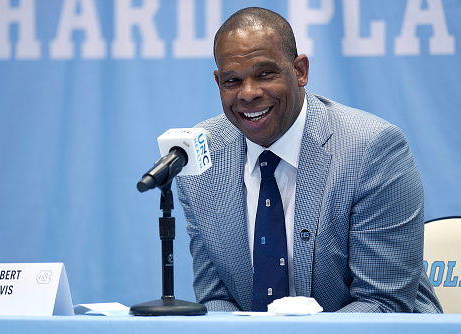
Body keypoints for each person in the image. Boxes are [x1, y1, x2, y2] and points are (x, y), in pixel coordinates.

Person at [176, 7, 442, 313]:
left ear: (300, 71)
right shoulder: (201, 153)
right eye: (232, 81)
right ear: (218, 81)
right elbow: (216, 299)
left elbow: (383, 304)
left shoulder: (372, 149)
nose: (248, 93)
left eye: (265, 74)